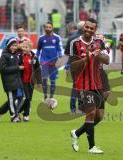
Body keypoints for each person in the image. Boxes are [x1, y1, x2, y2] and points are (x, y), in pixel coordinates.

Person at [69, 18, 109, 154]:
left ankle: (77, 133)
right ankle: (92, 147)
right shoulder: (75, 43)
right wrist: (86, 58)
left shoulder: (99, 42)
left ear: (95, 30)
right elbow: (73, 66)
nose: (89, 30)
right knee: (91, 113)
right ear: (83, 27)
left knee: (99, 116)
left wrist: (98, 56)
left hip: (98, 83)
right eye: (87, 27)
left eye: (92, 28)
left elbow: (107, 60)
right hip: (83, 84)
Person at [0, 37, 24, 122]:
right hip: (8, 82)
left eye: (15, 45)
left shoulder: (15, 55)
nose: (14, 47)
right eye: (12, 45)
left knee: (16, 99)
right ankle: (14, 116)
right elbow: (3, 69)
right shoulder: (4, 56)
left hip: (16, 81)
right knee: (11, 100)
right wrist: (17, 68)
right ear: (8, 45)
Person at [36, 22, 64, 105]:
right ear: (44, 28)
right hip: (44, 61)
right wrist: (35, 57)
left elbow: (59, 49)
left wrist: (59, 57)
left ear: (52, 28)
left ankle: (51, 96)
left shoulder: (57, 38)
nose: (48, 28)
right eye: (46, 27)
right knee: (44, 79)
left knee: (53, 81)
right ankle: (45, 96)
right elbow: (38, 50)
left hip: (54, 62)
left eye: (49, 27)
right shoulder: (41, 38)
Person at [18, 40, 42, 122]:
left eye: (26, 47)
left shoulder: (34, 57)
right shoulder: (19, 56)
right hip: (22, 81)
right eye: (23, 47)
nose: (24, 48)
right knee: (26, 98)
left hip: (31, 82)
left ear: (30, 48)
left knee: (29, 99)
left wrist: (39, 82)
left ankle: (23, 114)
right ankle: (24, 114)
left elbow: (38, 70)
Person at [64, 21, 84, 113]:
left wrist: (68, 66)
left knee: (75, 86)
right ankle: (81, 107)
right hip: (84, 66)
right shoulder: (87, 39)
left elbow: (67, 54)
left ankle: (73, 108)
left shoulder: (71, 38)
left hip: (74, 66)